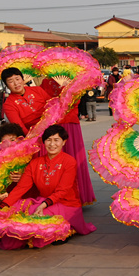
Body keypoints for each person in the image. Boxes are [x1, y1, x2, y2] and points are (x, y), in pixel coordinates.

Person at [0, 125, 96, 249]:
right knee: (16, 208)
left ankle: (66, 231)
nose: (52, 144)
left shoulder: (69, 162)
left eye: (56, 140)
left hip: (66, 204)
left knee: (34, 215)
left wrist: (43, 205)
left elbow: (63, 191)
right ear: (44, 142)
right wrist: (3, 206)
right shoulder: (35, 163)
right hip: (44, 201)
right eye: (48, 140)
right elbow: (21, 188)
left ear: (64, 142)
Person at [40, 76, 95, 205]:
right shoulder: (46, 82)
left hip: (69, 124)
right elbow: (43, 103)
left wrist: (65, 88)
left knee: (73, 159)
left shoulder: (74, 81)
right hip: (52, 123)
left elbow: (73, 103)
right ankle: (52, 197)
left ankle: (77, 196)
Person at [1, 68, 52, 133]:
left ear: (23, 79)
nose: (16, 83)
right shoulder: (8, 104)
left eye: (17, 79)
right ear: (7, 86)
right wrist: (31, 138)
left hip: (52, 126)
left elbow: (53, 105)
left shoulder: (38, 90)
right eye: (11, 81)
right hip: (33, 134)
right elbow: (19, 126)